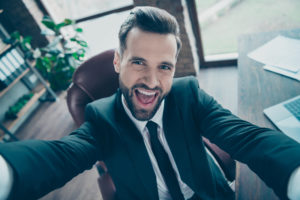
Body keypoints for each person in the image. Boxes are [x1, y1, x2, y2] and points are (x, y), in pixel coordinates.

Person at [0, 6, 300, 200]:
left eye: (164, 67)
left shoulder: (189, 95)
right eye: (139, 62)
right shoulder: (101, 117)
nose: (152, 82)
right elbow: (61, 156)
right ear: (119, 61)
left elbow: (249, 138)